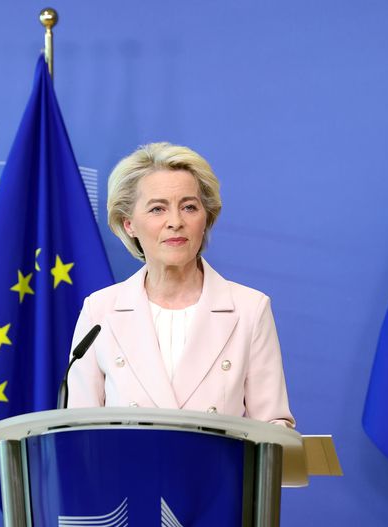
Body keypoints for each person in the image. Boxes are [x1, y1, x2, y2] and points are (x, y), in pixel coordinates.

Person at [67, 142, 294, 427]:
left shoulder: (250, 309)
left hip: (218, 472)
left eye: (188, 207)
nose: (175, 222)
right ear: (129, 225)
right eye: (157, 209)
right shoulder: (100, 311)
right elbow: (78, 429)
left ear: (206, 218)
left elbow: (274, 428)